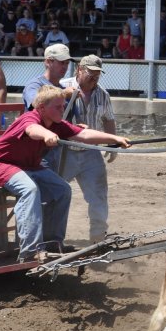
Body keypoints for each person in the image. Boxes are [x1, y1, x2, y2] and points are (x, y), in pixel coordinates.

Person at [0, 85, 130, 263]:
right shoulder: (30, 118)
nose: (63, 110)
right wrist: (46, 134)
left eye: (63, 106)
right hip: (4, 164)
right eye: (58, 107)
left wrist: (115, 139)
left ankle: (52, 242)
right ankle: (30, 250)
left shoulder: (57, 125)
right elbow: (32, 130)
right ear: (41, 108)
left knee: (63, 190)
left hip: (30, 165)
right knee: (30, 190)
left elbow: (84, 134)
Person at [59, 55, 122, 243]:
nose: (94, 78)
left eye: (97, 74)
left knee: (99, 197)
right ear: (79, 69)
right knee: (55, 194)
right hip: (64, 152)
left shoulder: (103, 94)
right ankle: (51, 238)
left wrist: (113, 145)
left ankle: (97, 239)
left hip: (91, 153)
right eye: (90, 73)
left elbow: (108, 118)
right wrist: (63, 95)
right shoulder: (62, 86)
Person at [23, 43, 72, 108]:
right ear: (48, 62)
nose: (65, 67)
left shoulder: (64, 89)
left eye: (67, 63)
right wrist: (63, 94)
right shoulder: (35, 85)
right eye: (62, 62)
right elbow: (35, 104)